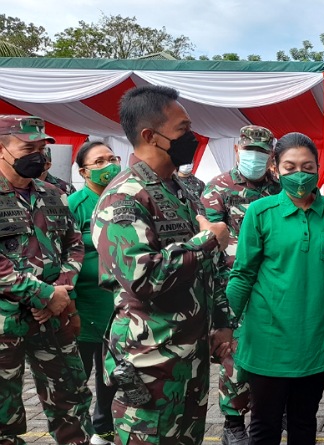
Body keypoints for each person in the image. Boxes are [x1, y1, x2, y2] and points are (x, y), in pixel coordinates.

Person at [91, 86, 235, 445]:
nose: (192, 137)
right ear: (150, 136)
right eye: (183, 129)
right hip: (150, 365)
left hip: (190, 358)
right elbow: (143, 278)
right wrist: (207, 241)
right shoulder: (123, 198)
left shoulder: (180, 190)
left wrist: (222, 323)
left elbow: (210, 268)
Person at [226, 132, 324, 445]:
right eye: (290, 167)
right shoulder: (260, 213)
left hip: (316, 338)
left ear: (318, 168)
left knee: (303, 421)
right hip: (267, 339)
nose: (300, 174)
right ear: (276, 169)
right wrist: (223, 326)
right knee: (265, 425)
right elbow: (243, 274)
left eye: (307, 167)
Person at [0, 115, 93, 444]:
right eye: (28, 149)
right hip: (6, 321)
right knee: (3, 410)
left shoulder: (53, 193)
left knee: (72, 399)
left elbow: (74, 243)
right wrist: (42, 294)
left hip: (54, 316)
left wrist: (61, 290)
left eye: (41, 148)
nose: (38, 156)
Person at [201, 125, 281, 445]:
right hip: (232, 286)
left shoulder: (278, 189)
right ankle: (233, 422)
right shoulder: (219, 187)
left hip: (273, 288)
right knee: (234, 355)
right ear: (237, 150)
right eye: (250, 150)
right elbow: (208, 238)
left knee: (275, 349)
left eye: (262, 152)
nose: (255, 157)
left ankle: (275, 409)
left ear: (271, 156)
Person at [68, 141, 122, 445]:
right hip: (82, 308)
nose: (108, 166)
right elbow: (61, 256)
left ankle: (104, 431)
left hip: (118, 308)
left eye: (112, 158)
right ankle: (77, 432)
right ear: (83, 172)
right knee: (78, 377)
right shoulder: (74, 205)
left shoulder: (125, 199)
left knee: (111, 377)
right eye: (99, 161)